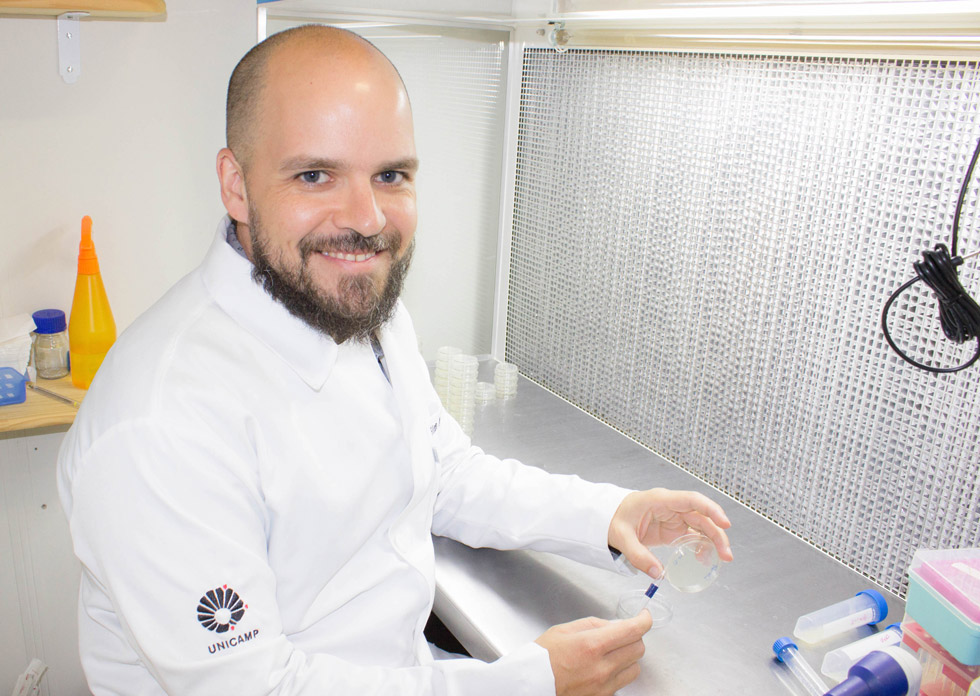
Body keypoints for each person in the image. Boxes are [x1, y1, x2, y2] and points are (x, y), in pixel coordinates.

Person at [57, 25, 733, 696]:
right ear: (237, 185)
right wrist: (525, 684)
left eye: (391, 175)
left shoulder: (356, 308)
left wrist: (608, 515)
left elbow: (441, 472)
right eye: (315, 174)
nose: (368, 218)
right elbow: (255, 687)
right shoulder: (160, 423)